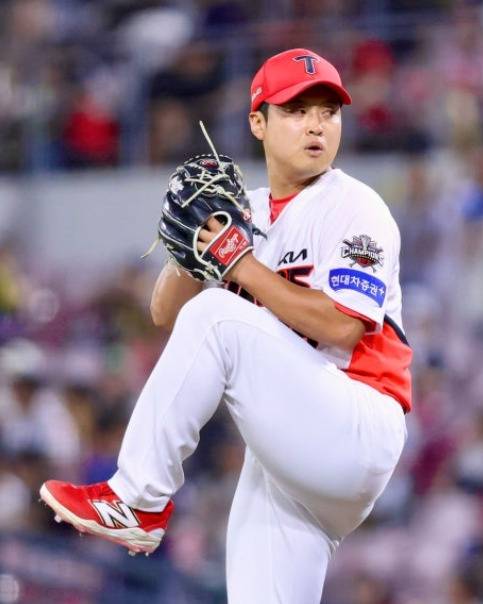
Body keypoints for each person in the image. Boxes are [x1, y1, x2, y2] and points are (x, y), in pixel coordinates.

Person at [40, 48, 412, 604]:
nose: (316, 124)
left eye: (328, 111)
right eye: (296, 110)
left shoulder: (356, 206)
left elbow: (341, 328)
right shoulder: (245, 210)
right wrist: (185, 247)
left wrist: (239, 263)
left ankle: (137, 498)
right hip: (289, 459)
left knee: (217, 314)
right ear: (258, 122)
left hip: (356, 424)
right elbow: (167, 316)